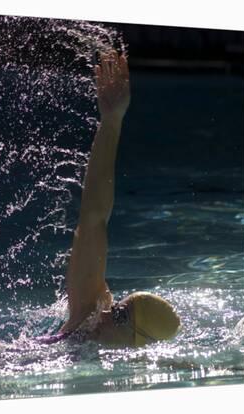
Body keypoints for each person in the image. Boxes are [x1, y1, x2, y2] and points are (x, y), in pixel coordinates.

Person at [37, 50, 181, 347]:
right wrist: (112, 121)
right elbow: (93, 218)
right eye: (117, 308)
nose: (106, 314)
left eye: (120, 316)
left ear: (139, 342)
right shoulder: (84, 322)